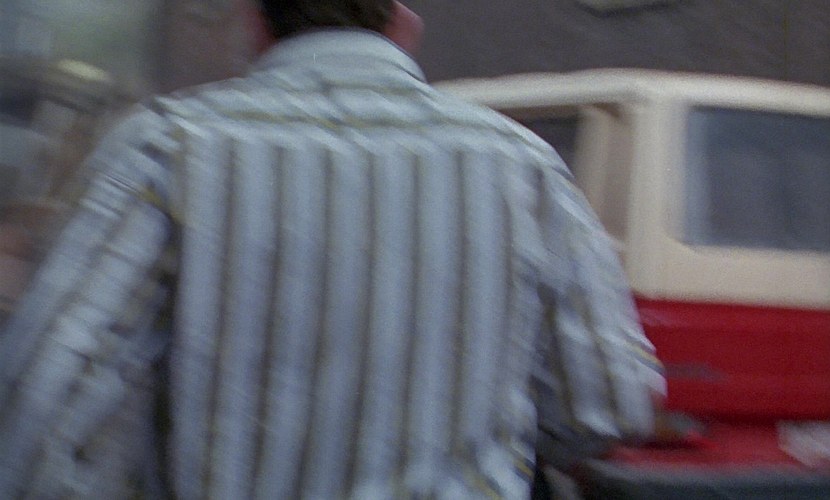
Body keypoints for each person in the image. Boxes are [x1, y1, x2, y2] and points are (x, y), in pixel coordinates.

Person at [0, 0, 663, 498]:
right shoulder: (521, 165)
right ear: (401, 23)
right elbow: (607, 403)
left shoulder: (169, 149)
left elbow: (48, 391)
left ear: (256, 22)